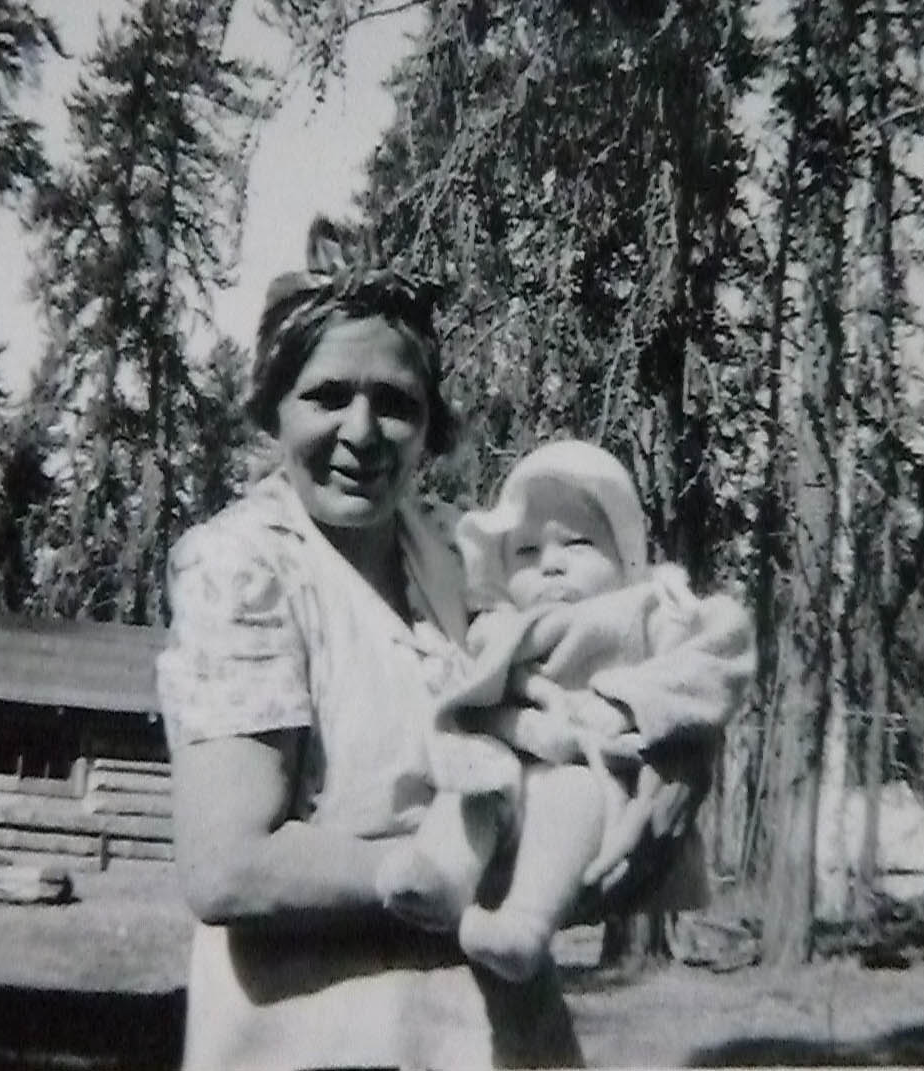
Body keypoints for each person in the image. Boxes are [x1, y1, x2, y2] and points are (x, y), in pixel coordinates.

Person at [159, 218, 587, 1069]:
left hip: (494, 1038)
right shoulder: (242, 566)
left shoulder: (461, 558)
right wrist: (441, 868)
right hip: (317, 1038)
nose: (361, 430)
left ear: (431, 424)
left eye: (395, 403)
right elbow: (229, 864)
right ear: (272, 406)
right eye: (327, 395)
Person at [376, 439, 756, 982]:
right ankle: (441, 877)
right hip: (516, 756)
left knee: (566, 795)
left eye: (576, 543)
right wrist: (516, 727)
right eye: (526, 553)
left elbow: (725, 649)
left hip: (599, 774)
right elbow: (467, 696)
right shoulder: (499, 625)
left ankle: (524, 927)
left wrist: (630, 704)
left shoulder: (646, 605)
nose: (551, 565)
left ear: (623, 553)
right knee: (472, 776)